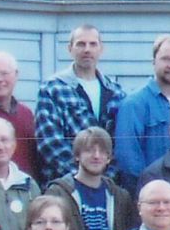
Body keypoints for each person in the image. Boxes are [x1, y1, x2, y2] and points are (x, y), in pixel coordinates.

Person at [35, 24, 125, 181]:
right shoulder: (53, 88)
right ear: (70, 48)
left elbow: (122, 142)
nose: (87, 49)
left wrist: (105, 179)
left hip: (108, 185)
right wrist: (82, 177)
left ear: (101, 49)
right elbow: (49, 142)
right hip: (65, 185)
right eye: (81, 44)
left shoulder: (116, 92)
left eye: (93, 44)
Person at [45, 126, 135, 230]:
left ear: (109, 158)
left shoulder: (120, 197)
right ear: (77, 155)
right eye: (89, 151)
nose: (96, 156)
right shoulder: (58, 193)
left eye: (102, 151)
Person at [114, 34, 170, 185]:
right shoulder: (134, 104)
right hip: (149, 198)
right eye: (166, 59)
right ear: (153, 62)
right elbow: (128, 160)